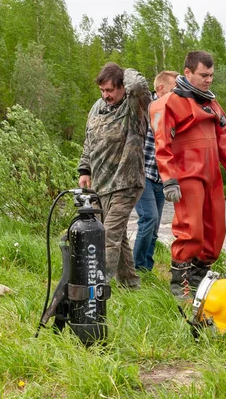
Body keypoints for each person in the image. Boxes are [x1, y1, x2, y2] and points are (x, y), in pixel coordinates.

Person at [150, 51, 226, 299]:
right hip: (187, 173)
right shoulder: (169, 103)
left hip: (212, 173)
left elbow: (224, 136)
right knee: (191, 230)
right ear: (188, 72)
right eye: (204, 75)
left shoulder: (212, 103)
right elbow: (162, 144)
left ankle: (199, 282)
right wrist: (169, 179)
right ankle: (179, 285)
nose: (209, 80)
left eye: (211, 75)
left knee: (215, 231)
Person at [78, 62, 151, 289]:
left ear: (122, 87)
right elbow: (89, 140)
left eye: (110, 90)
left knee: (106, 235)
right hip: (100, 183)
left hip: (126, 182)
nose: (106, 95)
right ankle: (130, 284)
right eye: (102, 90)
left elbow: (138, 84)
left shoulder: (133, 105)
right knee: (118, 236)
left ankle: (97, 289)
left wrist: (121, 70)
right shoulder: (97, 107)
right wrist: (84, 169)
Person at [133, 71, 179, 272]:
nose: (177, 95)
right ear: (160, 89)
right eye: (173, 90)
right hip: (142, 175)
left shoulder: (175, 112)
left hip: (162, 178)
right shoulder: (145, 108)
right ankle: (137, 267)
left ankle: (146, 270)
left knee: (154, 228)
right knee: (149, 219)